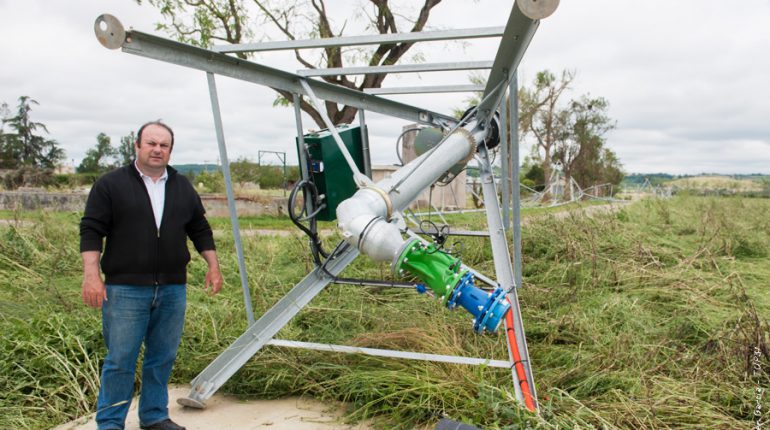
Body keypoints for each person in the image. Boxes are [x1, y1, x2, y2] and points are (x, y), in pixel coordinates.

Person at [80, 120, 223, 430]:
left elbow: (199, 228)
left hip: (172, 287)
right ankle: (110, 423)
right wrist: (92, 275)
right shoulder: (111, 184)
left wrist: (213, 266)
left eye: (164, 145)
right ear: (137, 146)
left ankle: (154, 416)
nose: (158, 150)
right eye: (152, 143)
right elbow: (91, 229)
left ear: (170, 150)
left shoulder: (181, 185)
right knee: (120, 360)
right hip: (125, 289)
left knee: (162, 357)